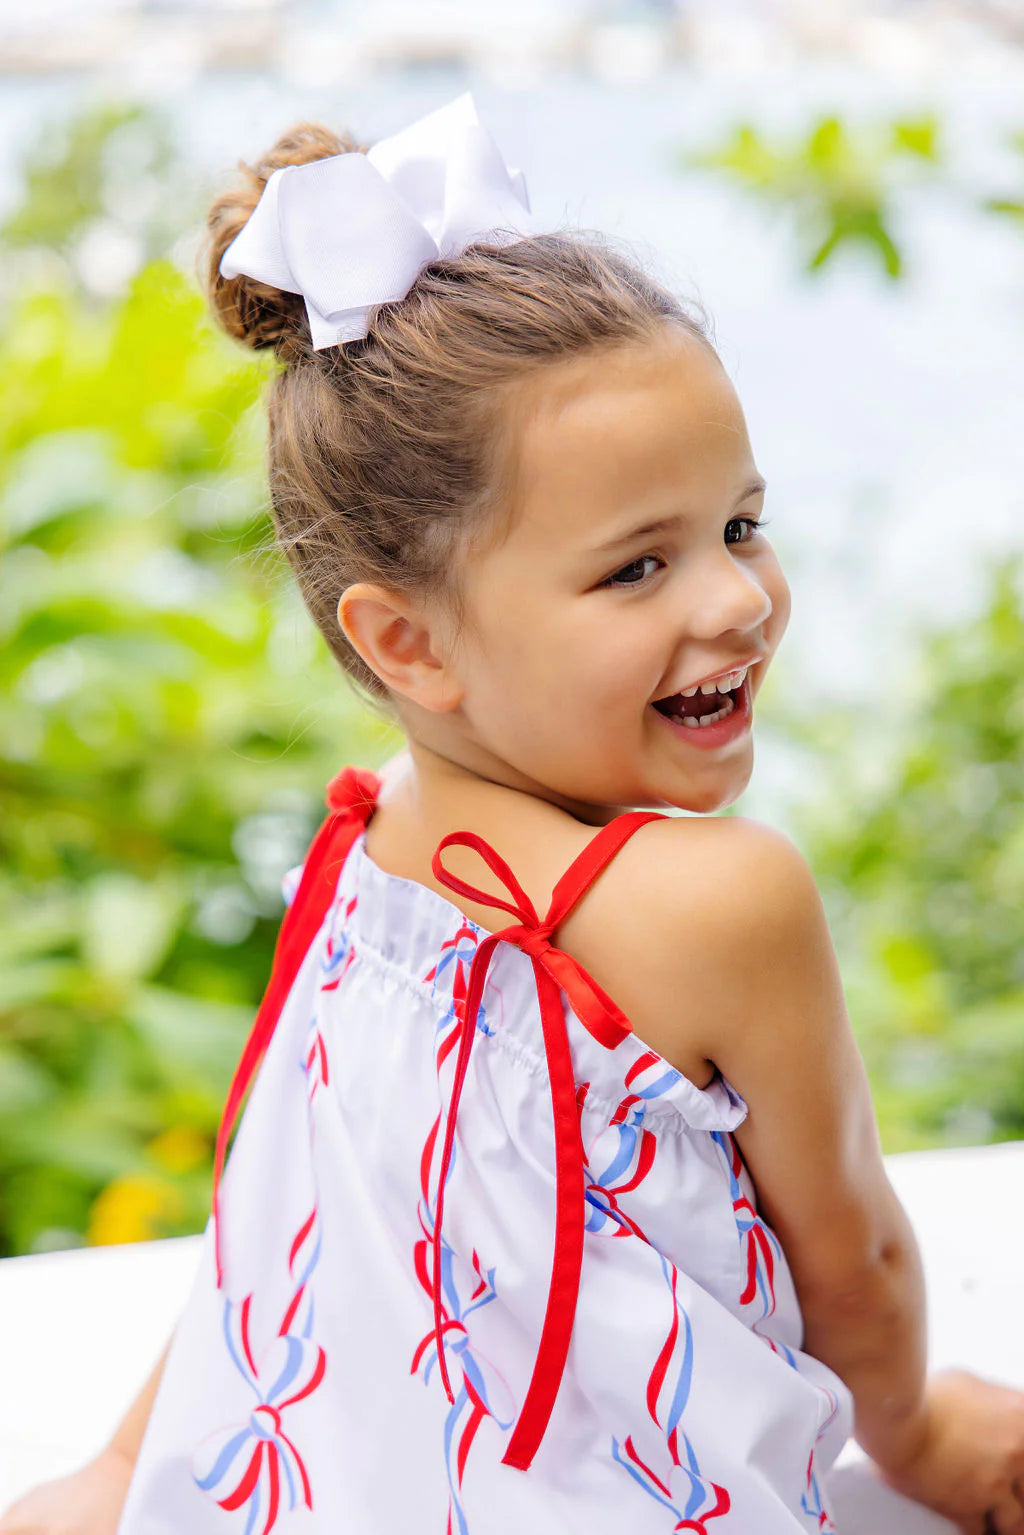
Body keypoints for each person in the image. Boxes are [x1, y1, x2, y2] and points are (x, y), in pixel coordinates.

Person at [4, 91, 1024, 1535]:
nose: (740, 598)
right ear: (406, 642)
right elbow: (853, 1259)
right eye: (636, 569)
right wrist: (916, 1429)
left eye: (740, 524)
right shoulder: (718, 902)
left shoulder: (367, 851)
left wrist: (123, 1475)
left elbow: (294, 1215)